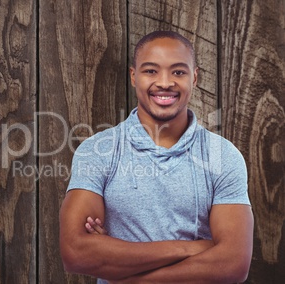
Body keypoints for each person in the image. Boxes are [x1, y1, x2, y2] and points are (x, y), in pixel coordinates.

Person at [59, 30, 254, 283]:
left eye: (178, 72)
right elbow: (76, 254)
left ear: (194, 78)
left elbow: (233, 264)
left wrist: (123, 267)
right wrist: (190, 247)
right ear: (133, 76)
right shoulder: (98, 151)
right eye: (151, 71)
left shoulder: (223, 156)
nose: (164, 83)